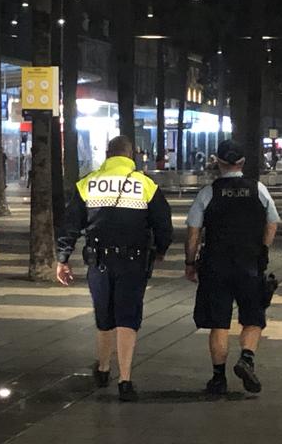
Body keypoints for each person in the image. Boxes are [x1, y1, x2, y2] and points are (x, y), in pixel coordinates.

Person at [56, 135, 173, 402]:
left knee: (104, 316)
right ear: (131, 156)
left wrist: (62, 259)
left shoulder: (88, 183)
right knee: (128, 319)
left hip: (98, 262)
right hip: (133, 262)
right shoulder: (145, 185)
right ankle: (125, 380)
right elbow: (163, 224)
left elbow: (70, 225)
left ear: (107, 155)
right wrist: (161, 251)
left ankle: (103, 367)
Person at [184, 139, 279, 395]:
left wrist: (190, 263)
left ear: (219, 162)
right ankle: (247, 358)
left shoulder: (208, 192)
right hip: (250, 263)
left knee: (219, 323)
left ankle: (218, 379)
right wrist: (263, 250)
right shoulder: (258, 190)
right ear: (242, 162)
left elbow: (193, 231)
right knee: (253, 316)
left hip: (215, 264)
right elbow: (272, 222)